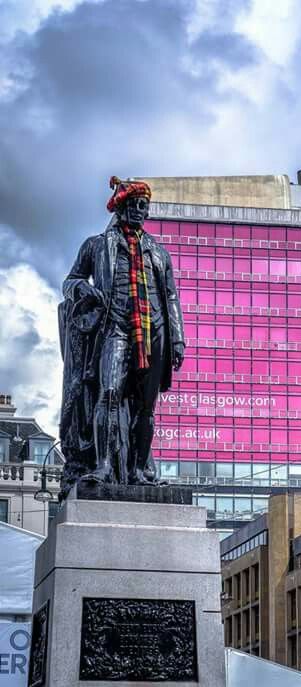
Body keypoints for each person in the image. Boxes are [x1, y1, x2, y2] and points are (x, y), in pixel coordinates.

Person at [58, 177, 185, 496]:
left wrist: (178, 338)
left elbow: (170, 296)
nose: (141, 211)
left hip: (153, 330)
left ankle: (140, 470)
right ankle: (102, 465)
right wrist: (84, 288)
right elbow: (71, 280)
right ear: (121, 207)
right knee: (109, 393)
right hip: (114, 326)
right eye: (135, 205)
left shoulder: (157, 251)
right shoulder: (96, 245)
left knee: (146, 406)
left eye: (145, 206)